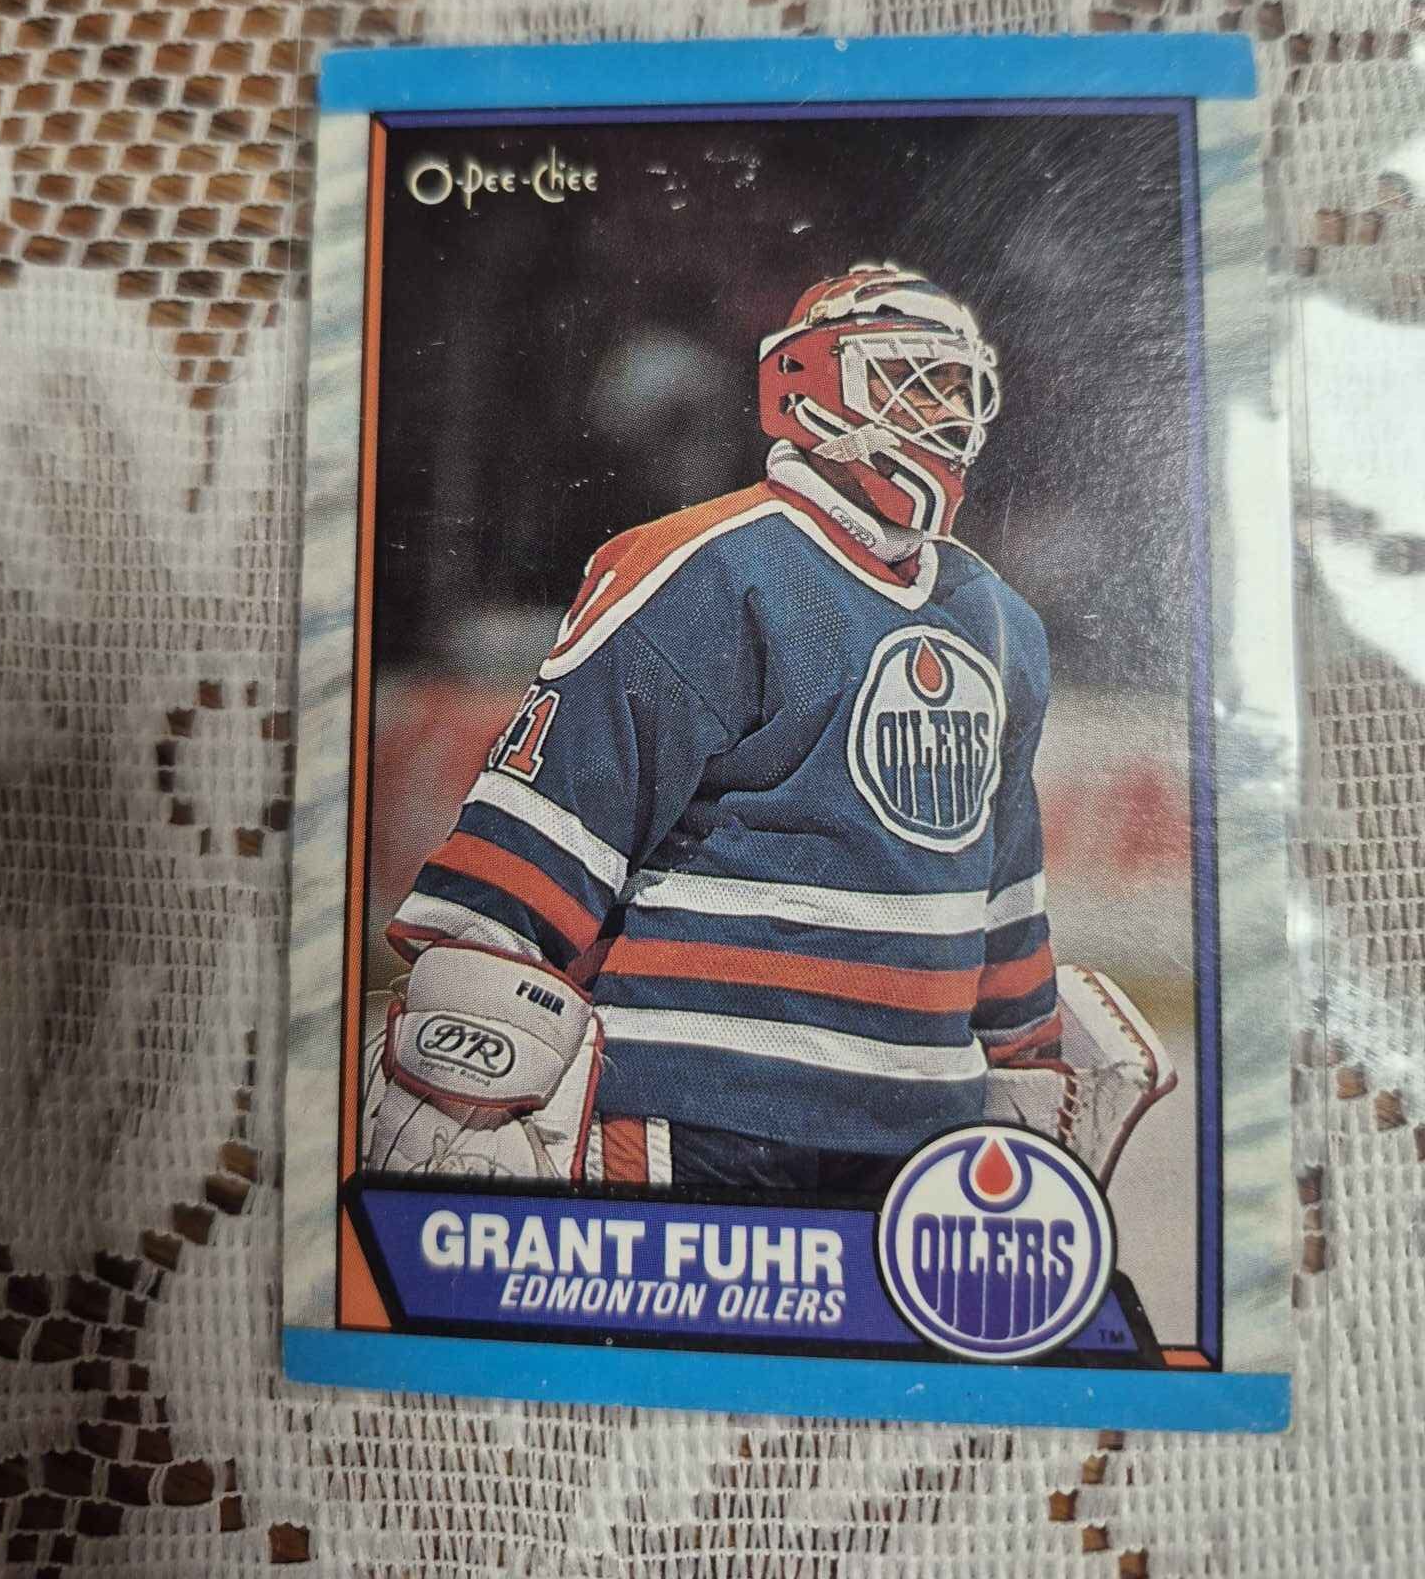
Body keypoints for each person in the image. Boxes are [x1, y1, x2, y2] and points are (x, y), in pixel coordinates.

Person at [363, 263, 1063, 1195]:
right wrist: (466, 1050)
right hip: (695, 1117)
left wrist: (1028, 1056)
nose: (941, 411)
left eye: (955, 386)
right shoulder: (701, 568)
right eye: (907, 377)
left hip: (922, 1138)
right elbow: (543, 832)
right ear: (805, 384)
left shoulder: (1002, 621)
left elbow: (1002, 883)